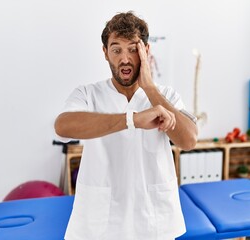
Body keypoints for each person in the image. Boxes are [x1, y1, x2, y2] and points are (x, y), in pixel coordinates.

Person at [54, 11, 198, 240]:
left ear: (146, 51)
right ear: (105, 52)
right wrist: (132, 119)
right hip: (100, 225)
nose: (125, 58)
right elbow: (62, 126)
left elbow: (189, 139)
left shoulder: (166, 95)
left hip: (152, 222)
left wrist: (150, 88)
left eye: (133, 49)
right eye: (116, 49)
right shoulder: (88, 94)